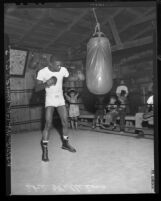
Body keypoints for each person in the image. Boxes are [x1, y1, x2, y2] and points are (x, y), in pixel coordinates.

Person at [35, 55, 76, 162]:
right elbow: (36, 88)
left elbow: (66, 76)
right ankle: (45, 150)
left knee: (65, 121)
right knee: (48, 124)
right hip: (50, 99)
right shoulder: (42, 72)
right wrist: (46, 83)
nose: (59, 67)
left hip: (60, 98)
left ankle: (65, 144)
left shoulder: (63, 69)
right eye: (57, 65)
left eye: (60, 64)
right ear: (50, 64)